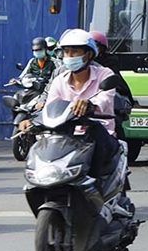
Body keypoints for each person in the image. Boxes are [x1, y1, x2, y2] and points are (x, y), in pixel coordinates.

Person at [19, 29, 119, 181]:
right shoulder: (59, 80)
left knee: (95, 130)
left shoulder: (105, 75)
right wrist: (31, 120)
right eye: (66, 52)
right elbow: (50, 107)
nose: (69, 57)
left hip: (101, 136)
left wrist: (89, 104)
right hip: (66, 138)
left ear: (89, 55)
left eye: (75, 52)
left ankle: (95, 187)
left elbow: (105, 100)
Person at [90, 30, 134, 140]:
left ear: (102, 49)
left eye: (95, 47)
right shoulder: (77, 68)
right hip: (88, 103)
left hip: (114, 101)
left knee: (113, 123)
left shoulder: (108, 66)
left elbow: (106, 90)